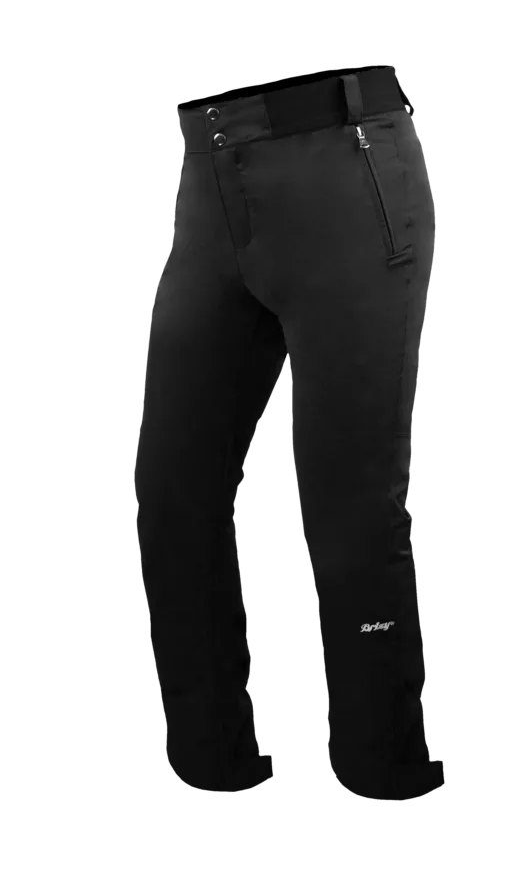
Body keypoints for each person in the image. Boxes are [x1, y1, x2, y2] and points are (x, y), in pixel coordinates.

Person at [138, 64, 445, 803]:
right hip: (209, 177)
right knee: (173, 498)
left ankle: (385, 780)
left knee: (352, 512)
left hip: (341, 156)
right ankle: (211, 768)